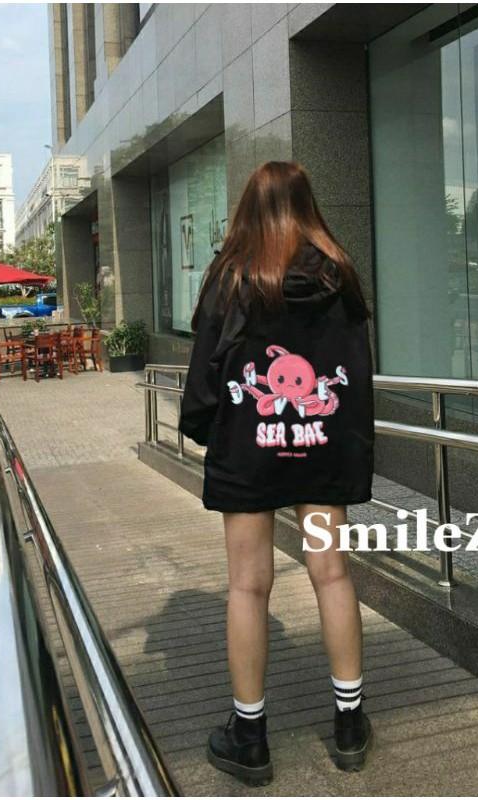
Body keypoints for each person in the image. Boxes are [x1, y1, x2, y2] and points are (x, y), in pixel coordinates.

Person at [179, 161, 375, 785]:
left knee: (247, 587)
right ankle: (349, 723)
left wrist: (209, 431)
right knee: (332, 573)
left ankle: (250, 736)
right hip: (321, 448)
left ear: (249, 208)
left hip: (249, 451)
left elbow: (205, 376)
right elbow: (358, 368)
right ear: (306, 205)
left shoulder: (232, 276)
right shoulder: (338, 274)